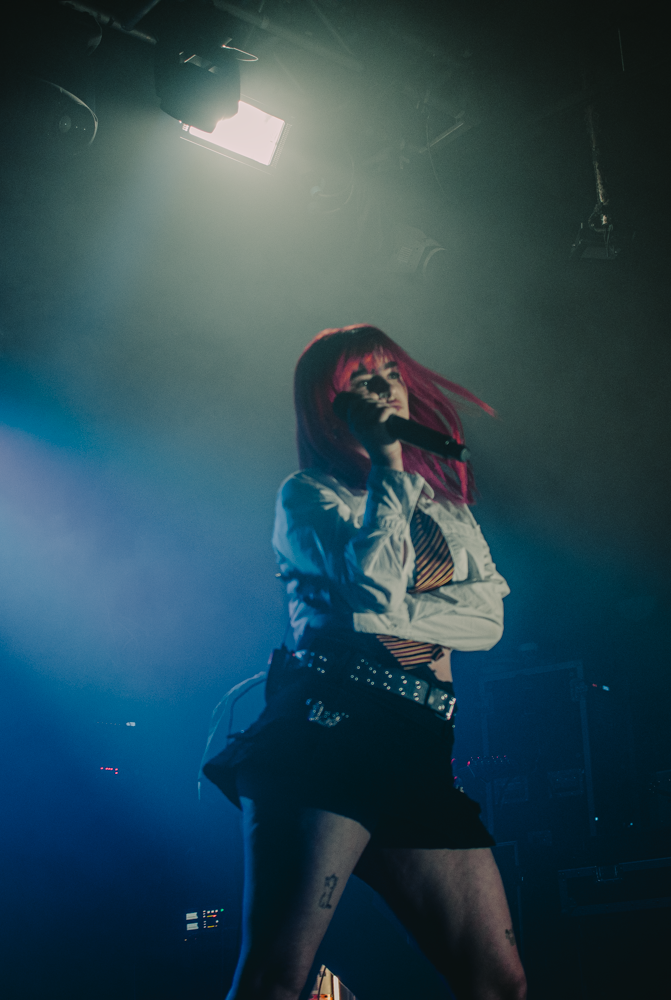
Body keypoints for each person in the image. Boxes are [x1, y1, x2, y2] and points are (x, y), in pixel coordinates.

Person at [204, 325, 526, 1000]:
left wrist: (386, 613)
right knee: (275, 978)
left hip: (421, 743)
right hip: (329, 730)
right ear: (331, 405)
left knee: (499, 984)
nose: (386, 388)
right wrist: (388, 466)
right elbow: (373, 593)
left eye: (391, 373)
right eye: (362, 379)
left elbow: (488, 621)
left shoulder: (446, 509)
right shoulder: (309, 497)